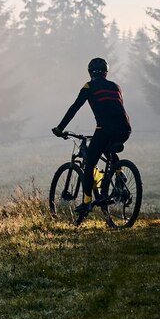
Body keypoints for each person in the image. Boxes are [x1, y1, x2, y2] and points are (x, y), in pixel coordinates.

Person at [52, 57, 132, 224]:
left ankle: (87, 203)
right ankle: (118, 173)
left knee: (89, 165)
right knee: (106, 148)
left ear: (90, 73)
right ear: (106, 72)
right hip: (125, 129)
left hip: (105, 129)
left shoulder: (89, 86)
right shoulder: (115, 86)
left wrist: (60, 128)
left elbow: (74, 107)